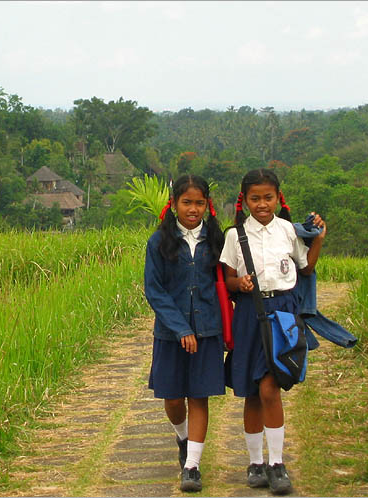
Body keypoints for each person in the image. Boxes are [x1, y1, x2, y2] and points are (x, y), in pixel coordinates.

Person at [220, 168, 326, 495]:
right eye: (255, 198)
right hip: (250, 314)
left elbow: (306, 267)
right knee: (252, 392)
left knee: (271, 386)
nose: (262, 204)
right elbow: (227, 279)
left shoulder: (288, 231)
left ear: (278, 198)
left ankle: (277, 463)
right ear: (245, 200)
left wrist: (318, 239)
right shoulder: (234, 235)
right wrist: (241, 283)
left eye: (268, 197)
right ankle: (255, 463)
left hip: (283, 314)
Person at [143, 175, 225, 492]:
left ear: (208, 205)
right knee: (174, 397)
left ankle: (192, 467)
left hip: (207, 332)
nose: (193, 209)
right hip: (169, 333)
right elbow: (155, 290)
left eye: (199, 203)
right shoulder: (159, 242)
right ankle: (183, 438)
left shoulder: (217, 241)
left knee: (199, 395)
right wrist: (179, 328)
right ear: (174, 204)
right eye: (187, 202)